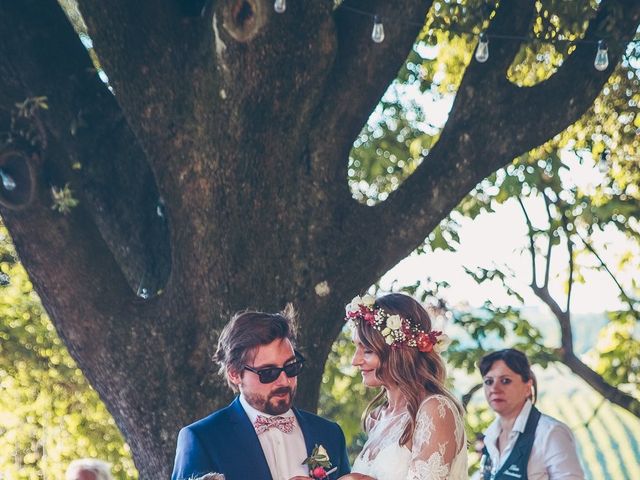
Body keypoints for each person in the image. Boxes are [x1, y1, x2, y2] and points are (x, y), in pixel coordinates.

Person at [171, 306, 350, 480]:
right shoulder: (202, 439)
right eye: (268, 373)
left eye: (291, 367)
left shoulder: (330, 434)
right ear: (234, 373)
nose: (284, 381)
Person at [339, 293, 468, 480]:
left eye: (367, 350)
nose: (355, 361)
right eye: (356, 348)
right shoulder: (378, 417)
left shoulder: (435, 410)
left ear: (399, 351)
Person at [475, 349, 584, 479]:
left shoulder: (550, 433)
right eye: (488, 381)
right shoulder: (490, 436)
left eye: (505, 381)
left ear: (527, 387)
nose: (494, 389)